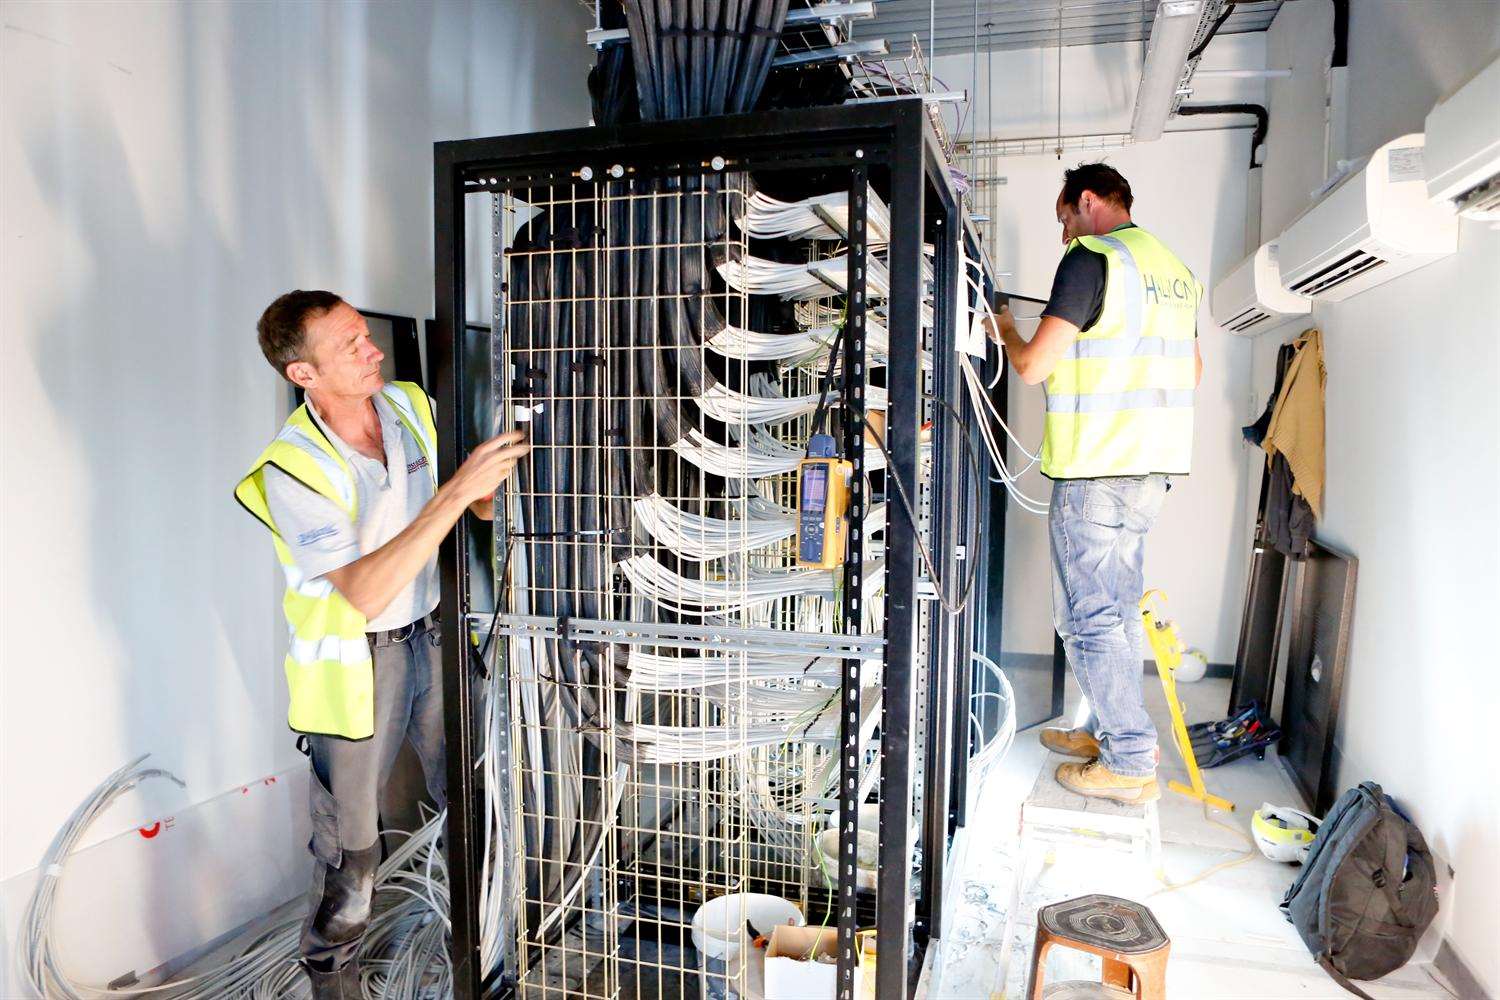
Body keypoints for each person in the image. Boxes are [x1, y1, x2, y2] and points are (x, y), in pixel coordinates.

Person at [233, 290, 528, 998]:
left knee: (477, 804)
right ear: (303, 374)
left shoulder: (406, 407)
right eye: (350, 346)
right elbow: (362, 590)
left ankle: (484, 960)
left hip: (435, 635)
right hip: (358, 666)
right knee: (353, 856)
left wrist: (491, 480)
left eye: (366, 336)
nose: (373, 352)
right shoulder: (290, 471)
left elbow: (471, 505)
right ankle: (337, 987)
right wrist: (457, 493)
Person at [987, 163, 1202, 804]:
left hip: (1099, 468)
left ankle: (1131, 761)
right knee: (1116, 613)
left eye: (1064, 220)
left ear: (1086, 202)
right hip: (1151, 471)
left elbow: (1031, 367)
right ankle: (1115, 734)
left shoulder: (1094, 258)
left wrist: (1001, 325)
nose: (1063, 236)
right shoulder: (1171, 270)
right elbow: (1189, 373)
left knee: (1090, 619)